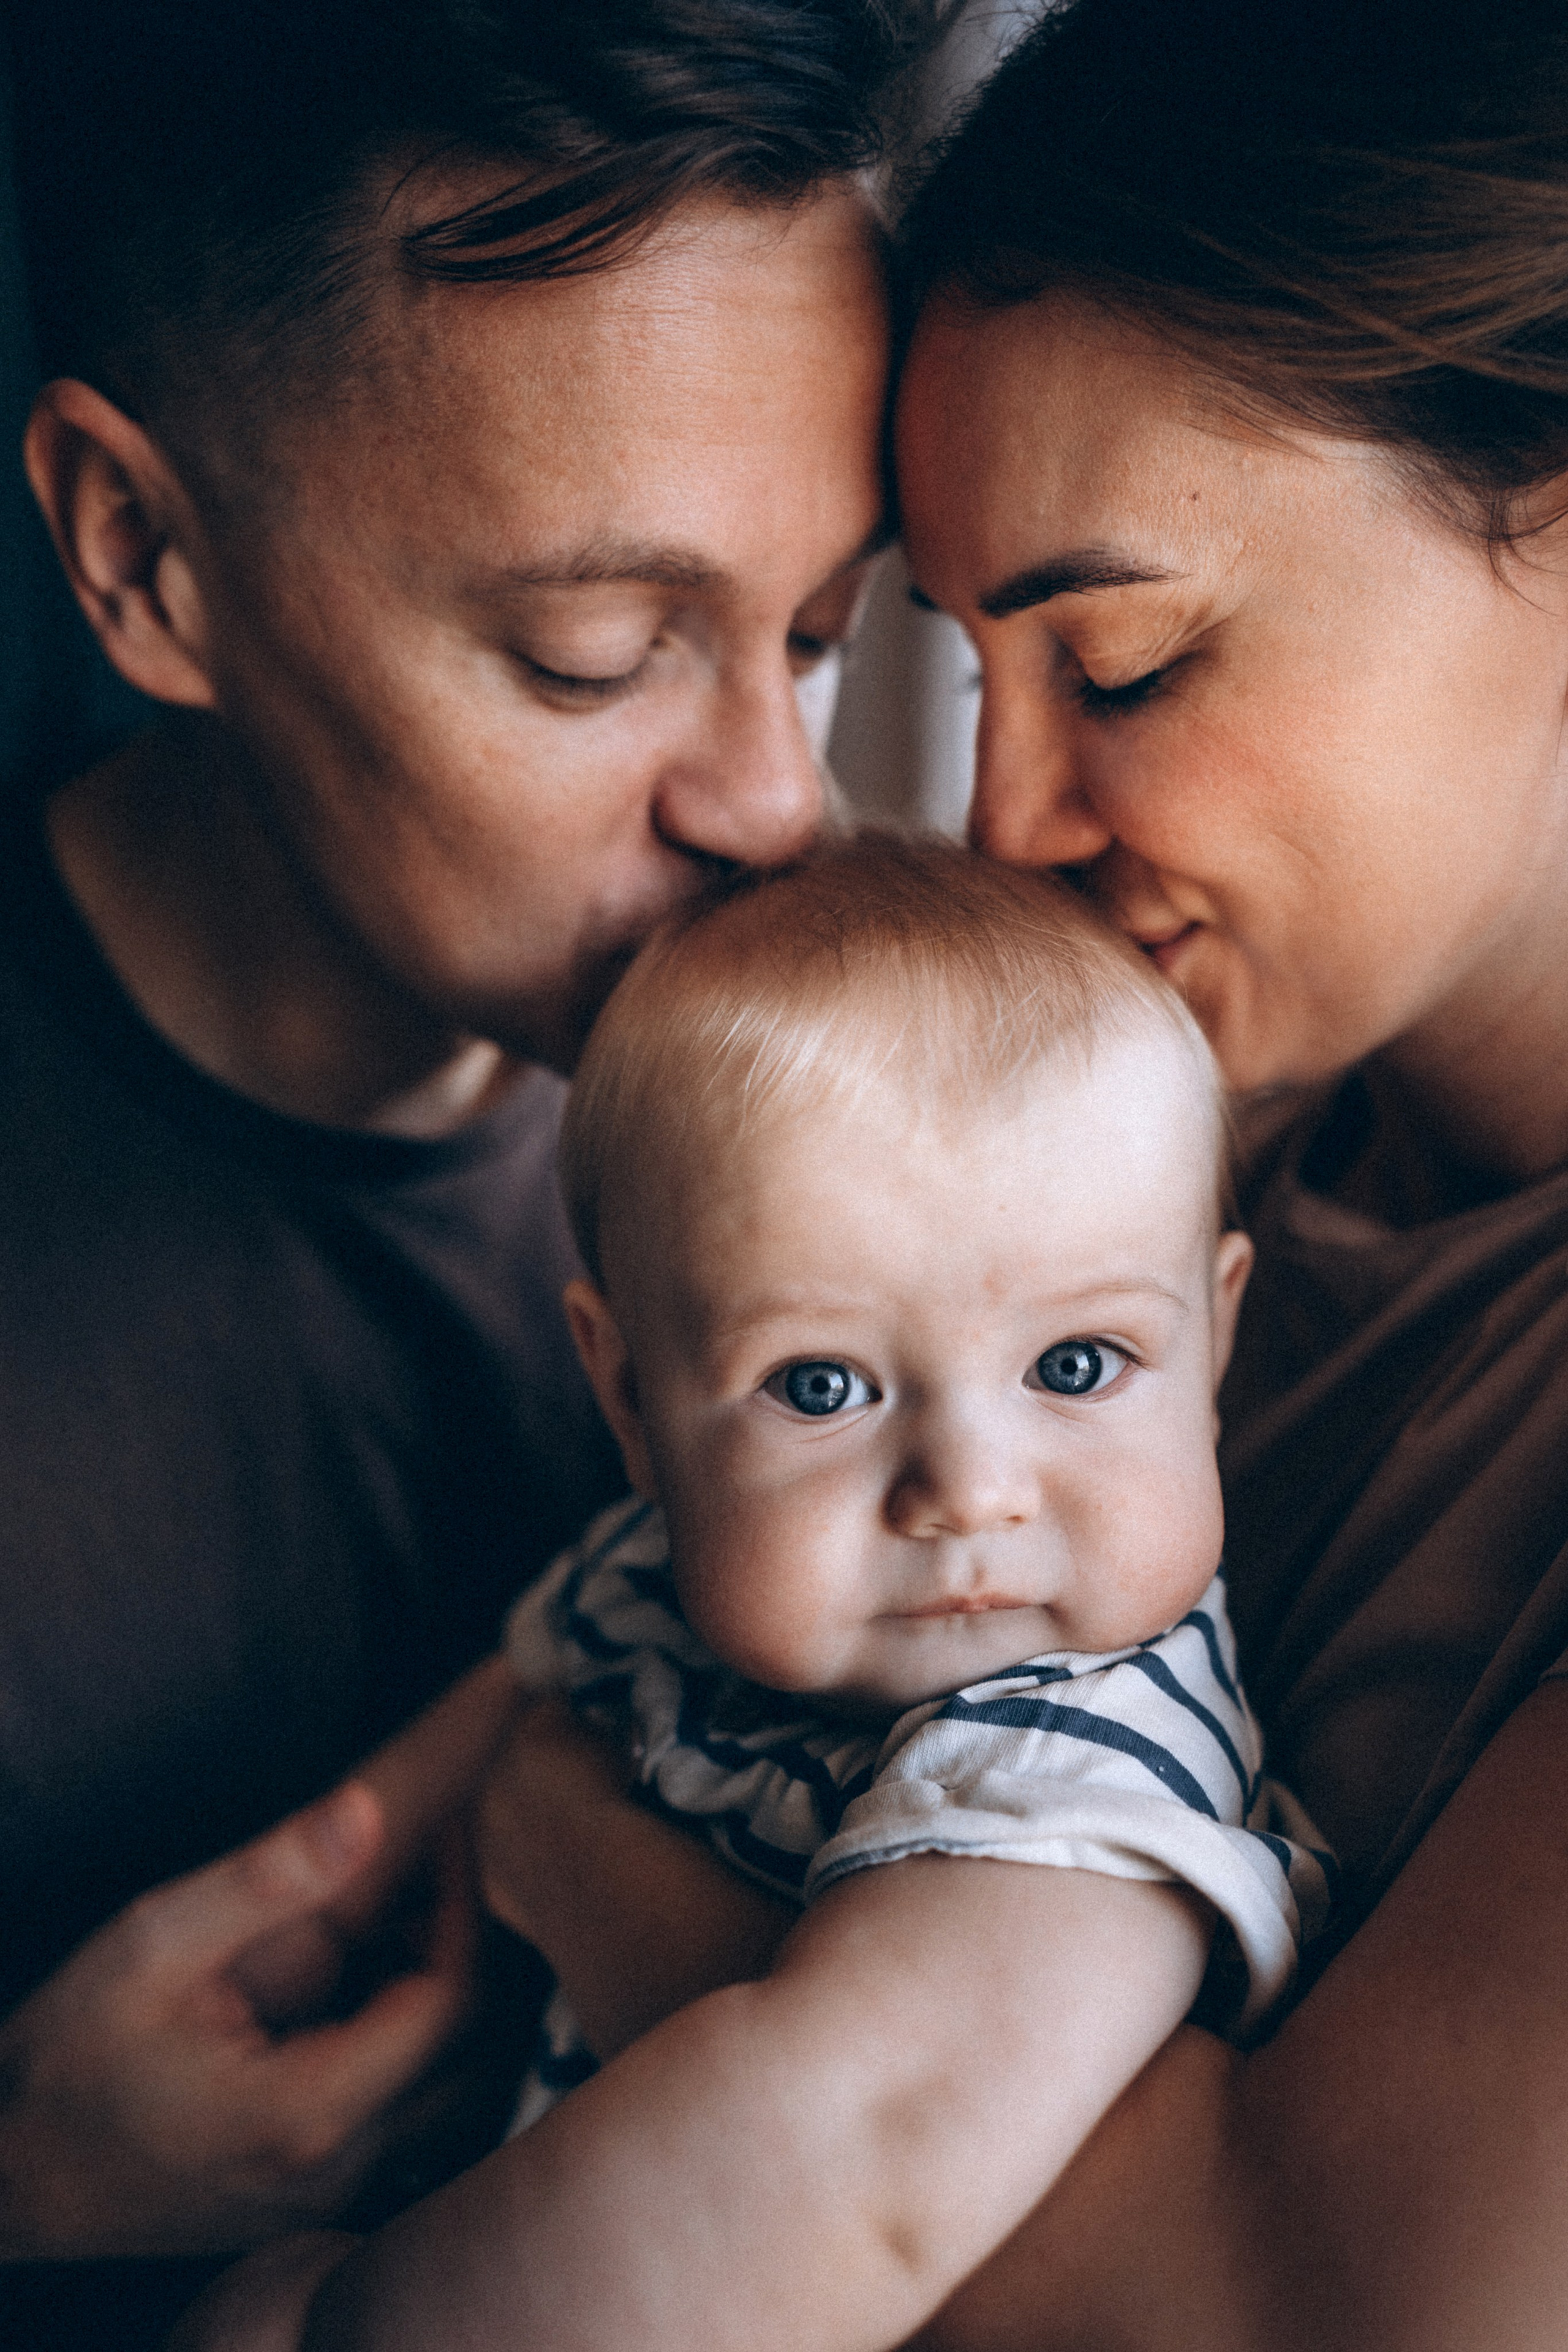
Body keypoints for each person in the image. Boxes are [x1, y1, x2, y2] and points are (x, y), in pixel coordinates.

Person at [462, 1, 1568, 2345]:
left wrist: (583, 1849)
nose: (1008, 830)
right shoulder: (1133, 1127)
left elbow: (1285, 2311)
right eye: (975, 675)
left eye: (1133, 666)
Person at [0, 1, 931, 2341]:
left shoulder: (931, 1119)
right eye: (597, 652)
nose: (774, 804)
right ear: (142, 558)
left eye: (819, 633)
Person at [173, 829, 1338, 2352]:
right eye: (821, 1384)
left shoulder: (1077, 1760)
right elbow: (491, 1720)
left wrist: (335, 2314)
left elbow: (857, 2167)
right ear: (633, 1402)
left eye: (1074, 1365)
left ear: (1213, 1342)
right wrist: (298, 1937)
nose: (967, 1489)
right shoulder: (670, 1572)